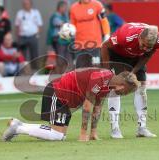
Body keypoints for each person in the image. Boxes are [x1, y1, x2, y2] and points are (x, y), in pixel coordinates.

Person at [2, 67, 140, 142]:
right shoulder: (101, 78)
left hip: (66, 101)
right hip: (57, 92)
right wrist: (82, 134)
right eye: (127, 91)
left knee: (60, 136)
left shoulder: (108, 85)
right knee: (57, 135)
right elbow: (87, 107)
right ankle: (18, 128)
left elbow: (97, 108)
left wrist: (93, 133)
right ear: (122, 86)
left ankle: (18, 125)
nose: (124, 94)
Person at [101, 22, 159, 138]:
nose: (145, 48)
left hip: (136, 58)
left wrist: (133, 72)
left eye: (148, 47)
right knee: (116, 87)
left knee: (142, 87)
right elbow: (105, 46)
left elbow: (148, 55)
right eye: (143, 45)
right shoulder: (125, 36)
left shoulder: (157, 40)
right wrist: (107, 72)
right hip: (117, 55)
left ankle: (142, 128)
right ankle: (115, 129)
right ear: (139, 37)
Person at [70, 0, 111, 141]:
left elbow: (104, 21)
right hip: (80, 48)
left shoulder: (97, 5)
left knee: (96, 87)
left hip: (95, 47)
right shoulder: (74, 8)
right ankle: (79, 127)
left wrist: (106, 35)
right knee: (81, 84)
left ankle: (93, 131)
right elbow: (72, 27)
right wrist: (68, 34)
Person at [15, 0, 43, 69]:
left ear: (31, 4)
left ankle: (35, 70)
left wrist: (37, 35)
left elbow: (40, 25)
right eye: (24, 4)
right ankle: (23, 71)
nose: (25, 5)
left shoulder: (36, 13)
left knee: (34, 55)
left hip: (33, 36)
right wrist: (18, 37)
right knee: (23, 55)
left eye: (27, 3)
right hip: (22, 37)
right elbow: (17, 26)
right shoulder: (20, 13)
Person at [46, 0, 72, 73]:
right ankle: (59, 72)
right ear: (60, 7)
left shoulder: (65, 16)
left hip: (65, 39)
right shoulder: (55, 16)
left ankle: (65, 72)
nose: (65, 9)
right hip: (58, 39)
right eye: (64, 7)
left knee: (67, 56)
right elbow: (62, 24)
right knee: (60, 56)